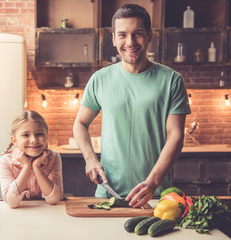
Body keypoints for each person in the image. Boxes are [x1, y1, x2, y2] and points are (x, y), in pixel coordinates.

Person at [73, 4, 191, 208]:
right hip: (108, 192)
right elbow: (80, 124)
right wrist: (90, 159)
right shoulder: (99, 79)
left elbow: (176, 135)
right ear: (113, 39)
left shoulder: (172, 80)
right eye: (122, 35)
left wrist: (153, 182)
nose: (130, 42)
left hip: (155, 194)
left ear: (149, 36)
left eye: (137, 34)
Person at [0, 110, 63, 208]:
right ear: (14, 140)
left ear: (46, 136)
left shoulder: (54, 158)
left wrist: (36, 167)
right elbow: (11, 203)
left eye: (39, 134)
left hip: (47, 213)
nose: (34, 140)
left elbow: (54, 199)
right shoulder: (5, 162)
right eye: (26, 135)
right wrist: (27, 167)